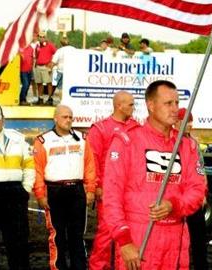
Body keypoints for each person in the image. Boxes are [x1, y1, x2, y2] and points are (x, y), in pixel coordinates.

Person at [103, 80, 206, 270]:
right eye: (168, 103)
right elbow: (111, 195)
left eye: (177, 103)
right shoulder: (127, 140)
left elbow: (197, 190)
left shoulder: (186, 145)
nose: (175, 109)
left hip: (175, 238)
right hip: (138, 237)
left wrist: (173, 205)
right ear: (151, 105)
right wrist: (124, 241)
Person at [33, 104, 96, 270]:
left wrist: (90, 189)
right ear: (55, 118)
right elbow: (37, 170)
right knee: (57, 236)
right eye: (64, 117)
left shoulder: (83, 139)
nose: (68, 120)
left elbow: (90, 166)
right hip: (54, 191)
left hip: (77, 191)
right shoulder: (43, 140)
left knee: (77, 236)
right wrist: (40, 194)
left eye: (70, 117)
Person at [88, 91, 139, 270]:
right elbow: (92, 160)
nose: (134, 108)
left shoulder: (136, 127)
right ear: (119, 106)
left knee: (129, 233)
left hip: (132, 192)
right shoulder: (100, 128)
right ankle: (98, 267)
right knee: (107, 233)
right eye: (131, 104)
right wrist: (97, 187)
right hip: (110, 192)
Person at [0, 103, 35, 270]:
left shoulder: (17, 137)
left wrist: (26, 189)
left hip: (14, 193)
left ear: (3, 119)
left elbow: (29, 164)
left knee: (18, 241)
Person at [174, 108, 208, 270]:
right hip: (177, 197)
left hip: (193, 196)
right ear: (177, 122)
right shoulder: (171, 142)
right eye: (186, 121)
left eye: (191, 121)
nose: (190, 124)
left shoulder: (194, 143)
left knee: (199, 237)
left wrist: (203, 194)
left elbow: (201, 169)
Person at [34, 31, 56, 106]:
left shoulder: (50, 45)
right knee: (39, 83)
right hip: (38, 67)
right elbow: (36, 56)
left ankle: (50, 98)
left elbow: (56, 54)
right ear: (38, 37)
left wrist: (52, 63)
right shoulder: (37, 46)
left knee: (48, 83)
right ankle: (40, 98)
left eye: (43, 37)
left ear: (46, 37)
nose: (42, 38)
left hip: (46, 66)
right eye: (40, 37)